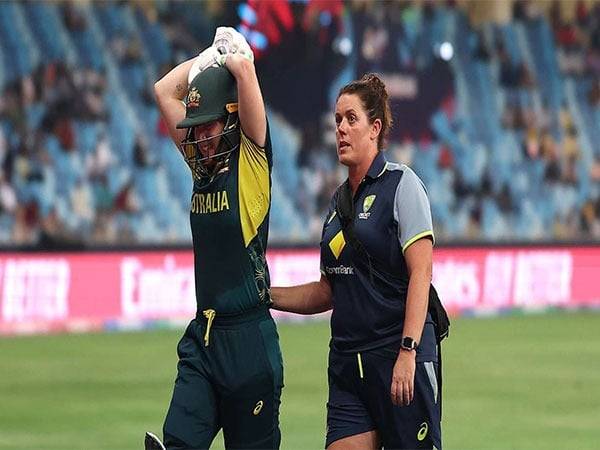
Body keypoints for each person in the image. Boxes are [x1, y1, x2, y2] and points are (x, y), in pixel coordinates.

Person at [271, 73, 442, 449]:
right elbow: (328, 291)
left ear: (374, 128)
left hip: (396, 357)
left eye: (352, 119)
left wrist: (408, 352)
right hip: (348, 365)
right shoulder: (336, 204)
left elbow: (421, 273)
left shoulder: (403, 185)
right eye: (337, 120)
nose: (341, 129)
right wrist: (267, 295)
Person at [146, 28, 283, 450]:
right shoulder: (200, 168)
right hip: (204, 339)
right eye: (197, 129)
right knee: (177, 442)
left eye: (210, 127)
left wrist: (231, 61)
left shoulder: (252, 167)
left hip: (250, 342)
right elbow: (163, 90)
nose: (201, 138)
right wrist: (205, 57)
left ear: (231, 119)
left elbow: (243, 71)